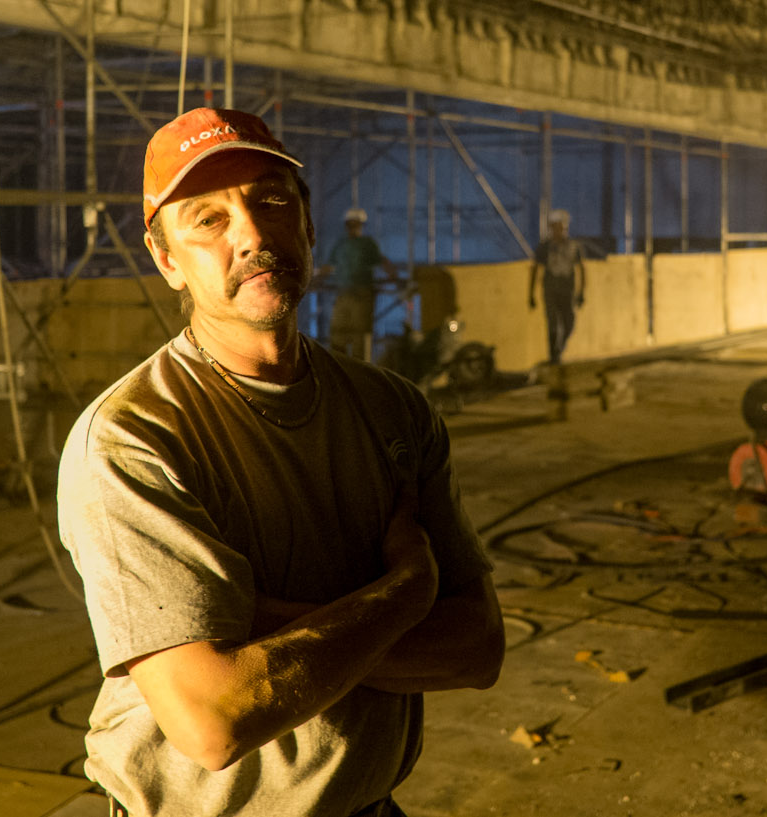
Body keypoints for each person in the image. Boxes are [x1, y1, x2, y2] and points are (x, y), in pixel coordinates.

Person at [56, 107, 504, 817]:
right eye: (207, 219)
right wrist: (406, 591)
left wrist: (260, 632)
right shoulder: (133, 437)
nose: (253, 235)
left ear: (307, 223)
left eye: (271, 200)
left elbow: (477, 648)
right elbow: (213, 718)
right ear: (167, 260)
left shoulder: (394, 411)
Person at [323, 207, 398, 359]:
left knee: (359, 335)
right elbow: (329, 267)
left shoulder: (367, 244)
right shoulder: (341, 244)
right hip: (344, 294)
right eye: (350, 224)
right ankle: (339, 368)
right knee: (338, 333)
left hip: (361, 294)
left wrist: (393, 276)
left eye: (355, 224)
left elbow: (382, 262)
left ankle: (359, 372)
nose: (352, 227)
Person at [527, 209, 586, 366]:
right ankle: (553, 355)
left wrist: (581, 292)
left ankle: (558, 350)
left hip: (567, 291)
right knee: (552, 322)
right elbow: (535, 270)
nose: (558, 230)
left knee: (569, 322)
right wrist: (530, 294)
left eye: (561, 226)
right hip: (551, 290)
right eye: (555, 226)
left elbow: (581, 269)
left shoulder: (573, 247)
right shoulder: (544, 247)